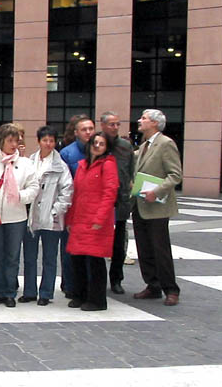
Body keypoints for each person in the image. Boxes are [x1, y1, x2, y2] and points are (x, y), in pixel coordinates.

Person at [0, 124, 40, 307]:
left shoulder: (25, 164)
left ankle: (9, 293)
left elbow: (34, 187)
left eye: (16, 141)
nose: (14, 144)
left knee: (12, 257)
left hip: (16, 217)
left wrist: (21, 196)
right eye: (10, 141)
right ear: (1, 141)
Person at [132, 109, 183, 306]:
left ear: (154, 123)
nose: (140, 120)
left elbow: (175, 175)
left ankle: (171, 289)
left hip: (157, 207)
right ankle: (152, 285)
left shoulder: (166, 144)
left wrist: (157, 191)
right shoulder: (144, 145)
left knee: (160, 249)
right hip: (140, 204)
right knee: (144, 248)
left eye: (144, 118)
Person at [65, 132, 119, 311]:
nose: (97, 146)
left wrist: (100, 219)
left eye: (101, 144)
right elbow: (76, 194)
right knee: (78, 259)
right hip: (80, 219)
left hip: (96, 221)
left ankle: (97, 300)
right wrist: (70, 219)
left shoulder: (108, 165)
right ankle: (80, 295)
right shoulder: (83, 165)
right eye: (95, 142)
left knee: (95, 261)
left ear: (107, 147)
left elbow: (110, 194)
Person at [21, 126, 73, 306]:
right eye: (45, 140)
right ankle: (29, 291)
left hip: (52, 218)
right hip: (31, 216)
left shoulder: (61, 166)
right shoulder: (30, 161)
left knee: (50, 258)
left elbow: (67, 191)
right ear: (38, 141)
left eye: (51, 140)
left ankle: (46, 293)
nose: (48, 144)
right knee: (29, 257)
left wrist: (55, 211)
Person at [58, 115, 95, 297]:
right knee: (69, 249)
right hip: (72, 209)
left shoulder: (101, 151)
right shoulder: (67, 154)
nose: (88, 132)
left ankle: (90, 286)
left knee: (91, 250)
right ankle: (70, 285)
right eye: (84, 129)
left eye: (91, 129)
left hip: (92, 210)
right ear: (76, 132)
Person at [100, 111, 135, 295]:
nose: (115, 128)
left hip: (120, 202)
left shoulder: (125, 147)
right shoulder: (97, 144)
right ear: (103, 125)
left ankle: (116, 279)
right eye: (111, 124)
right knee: (98, 243)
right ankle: (97, 279)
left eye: (117, 124)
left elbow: (130, 173)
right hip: (100, 203)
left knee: (119, 244)